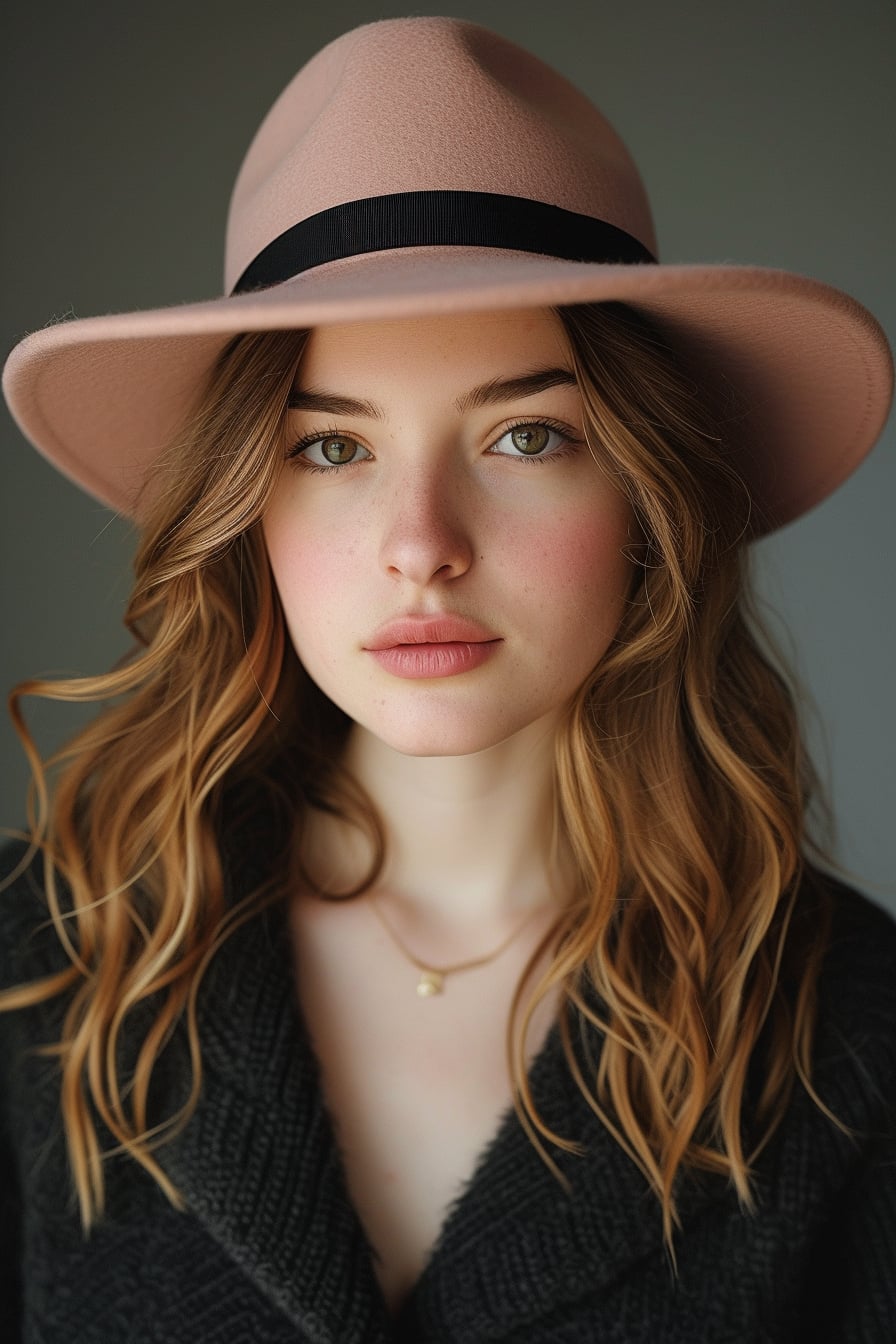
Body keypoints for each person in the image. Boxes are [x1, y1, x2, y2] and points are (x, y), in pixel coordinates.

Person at [1, 15, 894, 1344]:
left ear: (649, 495)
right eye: (330, 451)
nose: (424, 545)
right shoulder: (42, 964)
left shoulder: (852, 1033)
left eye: (526, 435)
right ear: (246, 506)